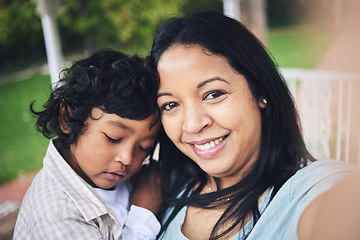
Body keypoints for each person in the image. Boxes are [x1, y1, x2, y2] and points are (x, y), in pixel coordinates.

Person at [150, 11, 360, 240]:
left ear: (260, 91)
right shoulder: (160, 195)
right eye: (170, 105)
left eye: (213, 94)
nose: (192, 125)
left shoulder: (308, 189)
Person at [13, 50, 162, 239]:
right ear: (67, 118)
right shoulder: (57, 218)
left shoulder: (123, 179)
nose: (128, 158)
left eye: (144, 148)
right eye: (113, 138)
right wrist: (143, 216)